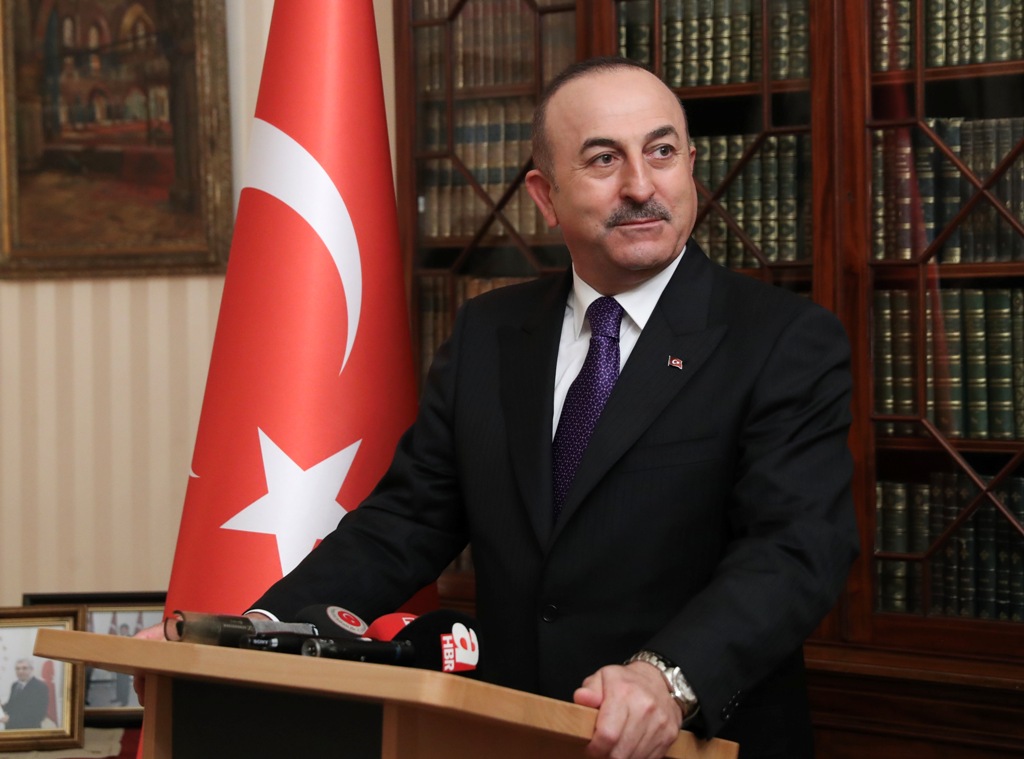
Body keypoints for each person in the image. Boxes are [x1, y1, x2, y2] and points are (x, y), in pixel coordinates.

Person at [1, 659, 49, 730]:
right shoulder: (15, 685)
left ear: (31, 669)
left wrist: (10, 719)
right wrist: (1, 706)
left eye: (24, 668)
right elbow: (12, 705)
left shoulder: (40, 687)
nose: (20, 671)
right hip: (11, 729)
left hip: (29, 731)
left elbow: (38, 715)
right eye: (17, 669)